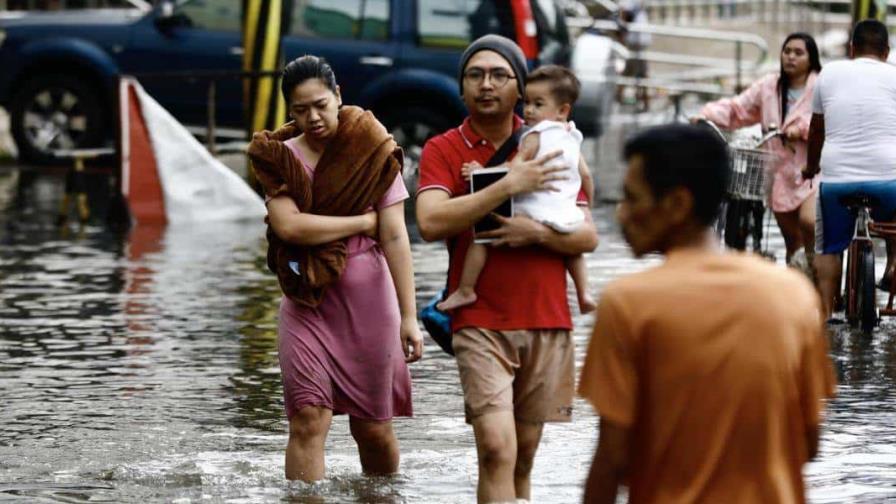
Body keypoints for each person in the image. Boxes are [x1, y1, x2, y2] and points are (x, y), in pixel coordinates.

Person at [579, 124, 835, 503]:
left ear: (678, 204)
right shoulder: (793, 294)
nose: (622, 213)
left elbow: (612, 459)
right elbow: (809, 443)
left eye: (632, 199)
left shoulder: (629, 303)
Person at [415, 35, 598, 503]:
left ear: (521, 87)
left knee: (525, 454)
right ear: (461, 88)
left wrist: (534, 233)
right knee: (496, 448)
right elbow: (431, 222)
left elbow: (587, 236)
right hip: (479, 321)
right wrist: (508, 185)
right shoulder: (443, 147)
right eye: (475, 75)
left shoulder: (553, 139)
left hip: (548, 318)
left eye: (499, 74)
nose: (486, 84)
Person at [247, 55, 423, 481]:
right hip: (307, 300)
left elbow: (396, 236)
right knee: (308, 419)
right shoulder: (278, 157)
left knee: (372, 429)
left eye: (321, 105)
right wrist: (363, 222)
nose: (313, 117)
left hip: (369, 306)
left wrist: (410, 317)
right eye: (300, 109)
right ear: (289, 110)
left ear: (339, 96)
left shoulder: (371, 148)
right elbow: (289, 225)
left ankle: (380, 496)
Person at [437, 64, 597, 314]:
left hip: (532, 206)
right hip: (563, 210)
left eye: (538, 104)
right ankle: (583, 292)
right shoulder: (572, 135)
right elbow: (585, 175)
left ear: (562, 110)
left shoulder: (535, 134)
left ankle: (466, 289)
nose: (529, 111)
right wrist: (588, 204)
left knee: (483, 236)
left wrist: (480, 172)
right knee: (573, 252)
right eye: (528, 103)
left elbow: (514, 168)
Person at [696, 33, 823, 268]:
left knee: (810, 226)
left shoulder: (821, 86)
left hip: (813, 171)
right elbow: (738, 109)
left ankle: (823, 283)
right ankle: (795, 295)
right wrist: (706, 115)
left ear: (811, 58)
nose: (791, 57)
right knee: (792, 242)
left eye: (798, 53)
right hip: (779, 174)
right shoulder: (769, 86)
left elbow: (829, 120)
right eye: (787, 52)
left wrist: (801, 130)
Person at [803, 19, 896, 321]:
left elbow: (816, 130)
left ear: (852, 48)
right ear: (887, 51)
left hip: (837, 181)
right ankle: (893, 264)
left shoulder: (829, 73)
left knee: (829, 248)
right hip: (888, 180)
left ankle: (827, 314)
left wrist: (811, 166)